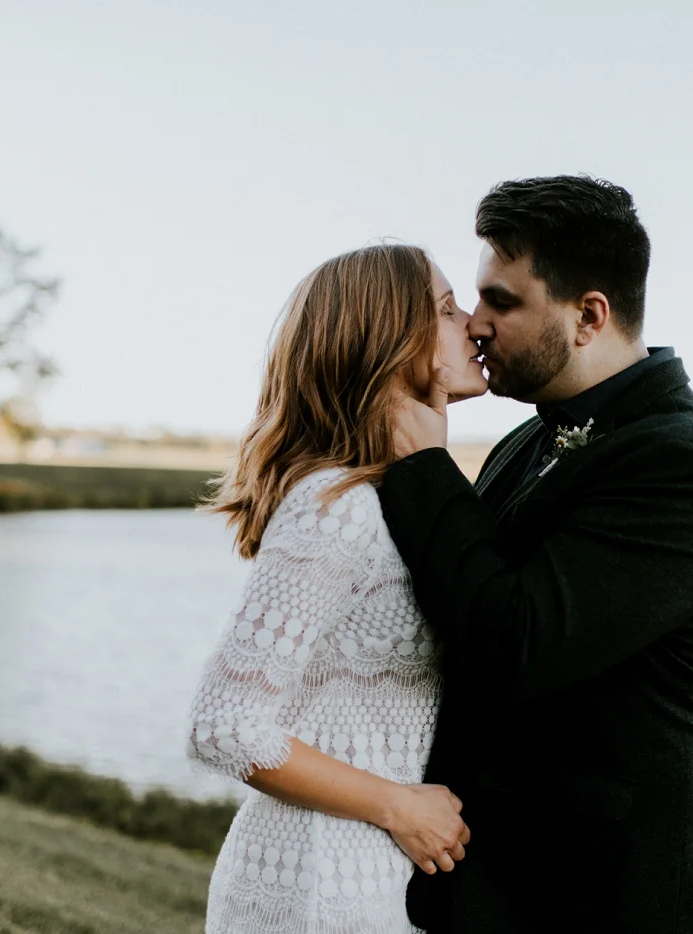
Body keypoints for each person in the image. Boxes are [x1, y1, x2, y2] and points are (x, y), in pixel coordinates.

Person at [382, 175, 693, 933]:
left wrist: (423, 470)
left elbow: (517, 643)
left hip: (601, 895)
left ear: (589, 315)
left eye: (503, 301)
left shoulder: (683, 463)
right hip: (495, 883)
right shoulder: (529, 435)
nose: (478, 324)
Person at [187, 243, 489, 934]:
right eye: (446, 309)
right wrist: (398, 805)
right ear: (387, 342)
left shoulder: (403, 496)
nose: (473, 323)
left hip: (379, 879)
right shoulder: (336, 506)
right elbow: (225, 726)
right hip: (313, 885)